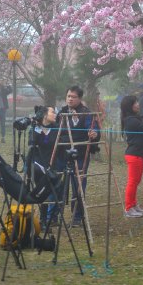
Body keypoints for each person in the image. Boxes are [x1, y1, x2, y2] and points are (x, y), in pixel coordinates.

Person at [58, 85, 100, 226]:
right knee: (59, 184)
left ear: (80, 98)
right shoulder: (62, 112)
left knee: (78, 185)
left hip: (81, 153)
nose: (70, 99)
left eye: (73, 96)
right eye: (68, 96)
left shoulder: (86, 113)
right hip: (63, 152)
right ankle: (55, 216)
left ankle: (77, 217)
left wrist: (93, 133)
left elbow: (93, 128)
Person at [120, 95, 143, 217]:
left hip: (138, 155)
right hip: (134, 155)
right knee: (132, 181)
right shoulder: (130, 120)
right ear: (129, 106)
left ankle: (134, 204)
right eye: (135, 103)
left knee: (136, 181)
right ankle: (128, 208)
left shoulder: (133, 118)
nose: (137, 104)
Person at [26, 106, 60, 228]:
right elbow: (31, 143)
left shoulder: (56, 128)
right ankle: (42, 219)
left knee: (52, 191)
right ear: (45, 115)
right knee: (41, 190)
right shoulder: (34, 129)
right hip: (37, 164)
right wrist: (37, 128)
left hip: (51, 164)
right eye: (52, 112)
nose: (55, 114)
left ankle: (49, 218)